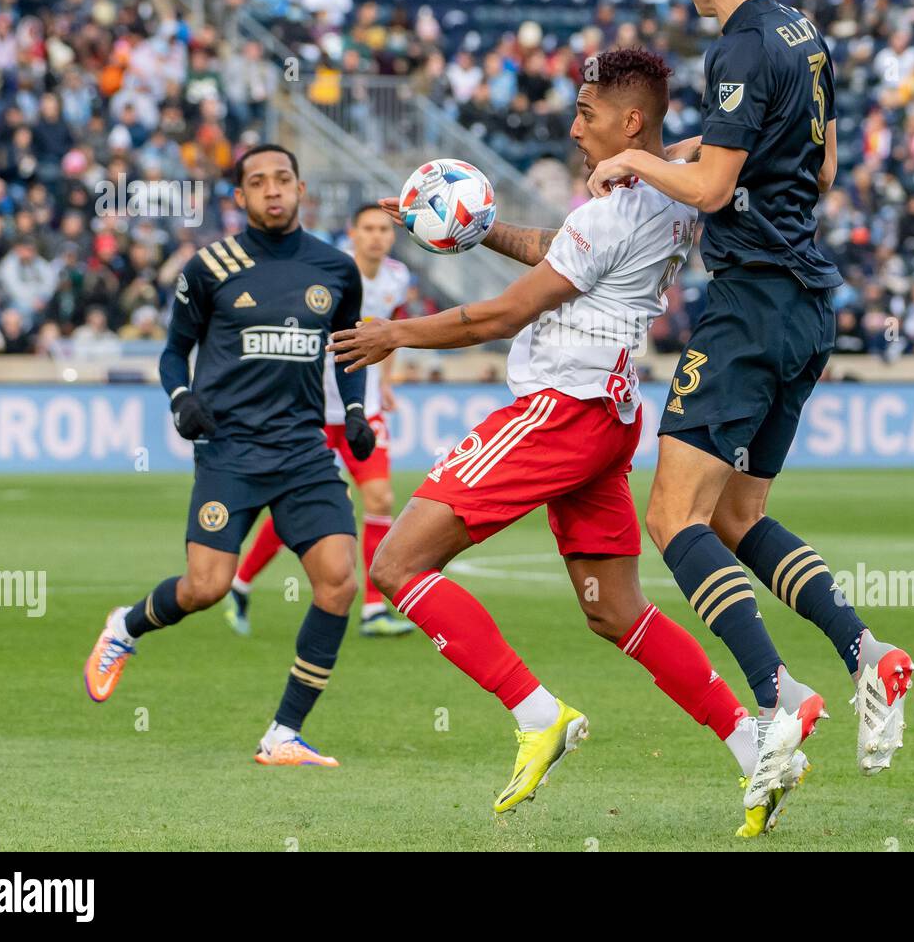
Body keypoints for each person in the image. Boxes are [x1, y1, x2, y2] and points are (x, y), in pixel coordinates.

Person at [331, 48, 804, 837]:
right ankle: (755, 745)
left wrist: (395, 333)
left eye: (587, 115)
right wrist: (478, 229)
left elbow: (498, 317)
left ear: (630, 121)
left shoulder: (615, 205)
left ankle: (535, 711)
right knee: (615, 610)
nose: (573, 128)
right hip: (608, 416)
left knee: (397, 563)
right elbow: (570, 244)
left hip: (560, 407)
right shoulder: (664, 196)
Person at [586, 0, 914, 797]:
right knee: (737, 518)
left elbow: (715, 193)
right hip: (811, 301)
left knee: (674, 520)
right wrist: (700, 149)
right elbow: (825, 160)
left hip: (751, 304)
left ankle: (778, 692)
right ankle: (866, 651)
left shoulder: (734, 46)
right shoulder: (804, 34)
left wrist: (639, 159)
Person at [83, 144, 376, 767]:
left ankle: (283, 734)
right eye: (257, 183)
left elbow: (348, 352)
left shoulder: (337, 270)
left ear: (301, 189)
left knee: (339, 581)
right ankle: (125, 627)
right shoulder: (209, 266)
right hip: (230, 450)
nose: (273, 191)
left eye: (283, 180)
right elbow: (171, 352)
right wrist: (181, 397)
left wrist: (353, 411)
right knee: (205, 588)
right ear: (239, 197)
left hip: (302, 449)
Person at [226, 204, 415, 638]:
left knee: (381, 498)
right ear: (352, 232)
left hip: (359, 408)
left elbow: (388, 331)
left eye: (384, 229)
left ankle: (371, 610)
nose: (376, 236)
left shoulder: (397, 277)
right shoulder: (327, 271)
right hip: (313, 406)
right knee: (299, 504)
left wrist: (384, 382)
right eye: (367, 228)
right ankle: (240, 581)